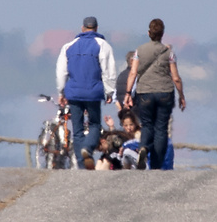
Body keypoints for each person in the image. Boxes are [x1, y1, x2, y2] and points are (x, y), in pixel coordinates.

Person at [55, 16, 116, 168]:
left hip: (73, 93)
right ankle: (87, 149)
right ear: (96, 28)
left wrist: (61, 92)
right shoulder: (102, 45)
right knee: (94, 124)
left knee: (77, 130)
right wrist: (109, 91)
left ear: (82, 28)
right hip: (93, 92)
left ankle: (82, 166)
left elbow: (61, 72)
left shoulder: (68, 46)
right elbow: (109, 71)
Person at [124, 18, 184, 170]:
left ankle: (144, 146)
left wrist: (127, 93)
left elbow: (133, 73)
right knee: (161, 128)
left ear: (149, 33)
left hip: (144, 92)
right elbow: (175, 77)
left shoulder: (139, 51)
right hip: (165, 92)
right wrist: (181, 96)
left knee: (147, 125)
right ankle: (156, 164)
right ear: (162, 34)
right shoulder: (169, 52)